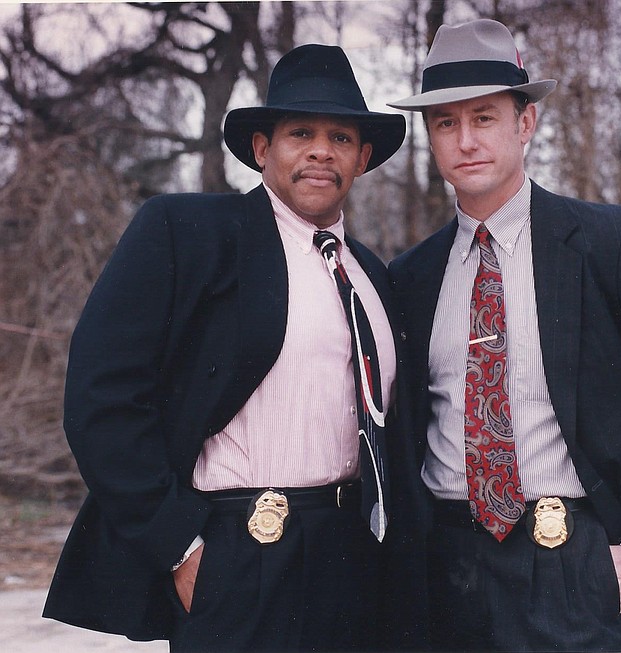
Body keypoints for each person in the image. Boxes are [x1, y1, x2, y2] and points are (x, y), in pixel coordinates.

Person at [43, 44, 417, 652]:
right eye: (301, 132)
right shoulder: (186, 233)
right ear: (263, 149)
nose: (322, 150)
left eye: (341, 138)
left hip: (353, 559)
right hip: (239, 551)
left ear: (363, 157)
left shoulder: (374, 277)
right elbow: (101, 400)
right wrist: (180, 548)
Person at [387, 18, 621, 651]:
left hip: (569, 564)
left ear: (526, 123)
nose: (465, 140)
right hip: (443, 576)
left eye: (485, 117)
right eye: (445, 123)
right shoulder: (408, 278)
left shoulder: (611, 246)